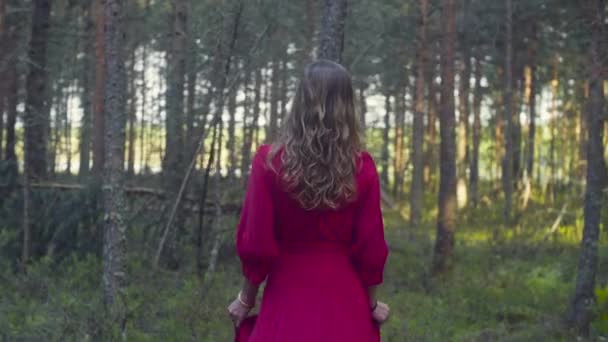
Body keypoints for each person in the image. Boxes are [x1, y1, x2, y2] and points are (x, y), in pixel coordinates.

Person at [227, 59, 390, 341]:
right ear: (348, 106)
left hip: (288, 294)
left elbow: (257, 242)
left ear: (300, 101)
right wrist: (373, 305)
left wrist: (245, 299)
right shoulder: (362, 168)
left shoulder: (269, 162)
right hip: (345, 299)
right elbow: (371, 248)